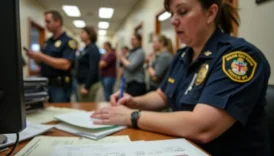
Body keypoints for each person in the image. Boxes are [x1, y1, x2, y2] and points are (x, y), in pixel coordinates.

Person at [91, 0, 271, 155]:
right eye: (171, 13)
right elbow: (162, 96)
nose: (174, 20)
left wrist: (132, 116)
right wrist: (134, 102)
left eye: (183, 12)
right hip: (184, 147)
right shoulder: (182, 55)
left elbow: (203, 127)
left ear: (210, 13)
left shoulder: (238, 57)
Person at [26, 10, 76, 102]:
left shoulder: (68, 41)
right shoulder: (48, 42)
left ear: (58, 22)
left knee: (59, 113)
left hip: (59, 86)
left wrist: (41, 56)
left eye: (48, 22)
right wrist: (35, 57)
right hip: (45, 84)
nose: (46, 25)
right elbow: (41, 63)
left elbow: (65, 64)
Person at [76, 26, 101, 102]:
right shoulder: (86, 48)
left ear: (89, 35)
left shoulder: (93, 48)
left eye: (83, 32)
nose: (80, 35)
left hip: (88, 84)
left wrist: (87, 87)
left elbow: (93, 68)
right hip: (82, 82)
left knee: (86, 109)